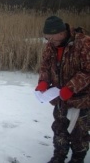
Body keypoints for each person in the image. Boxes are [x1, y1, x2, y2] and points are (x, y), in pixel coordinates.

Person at [35, 15, 90, 163]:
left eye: (51, 37)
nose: (48, 41)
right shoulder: (51, 45)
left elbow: (87, 70)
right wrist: (43, 82)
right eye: (47, 38)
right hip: (59, 97)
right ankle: (59, 156)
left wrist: (71, 87)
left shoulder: (83, 43)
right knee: (59, 129)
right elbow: (45, 65)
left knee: (80, 133)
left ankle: (78, 159)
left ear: (61, 32)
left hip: (81, 99)